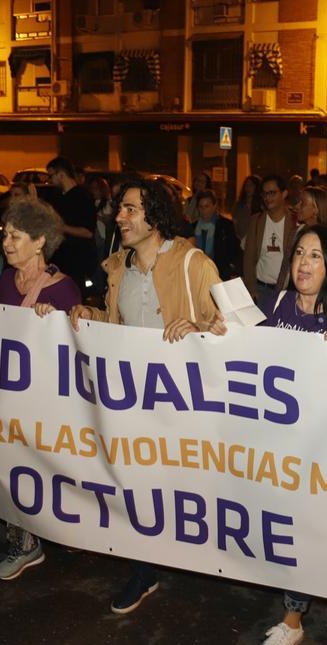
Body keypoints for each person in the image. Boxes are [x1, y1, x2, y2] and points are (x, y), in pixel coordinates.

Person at [207, 225, 327, 645]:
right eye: (299, 253)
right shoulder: (273, 303)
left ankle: (293, 621)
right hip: (274, 447)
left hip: (322, 452)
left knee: (302, 531)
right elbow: (247, 358)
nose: (303, 263)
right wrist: (219, 334)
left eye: (316, 256)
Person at [68, 178, 221, 614]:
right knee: (137, 483)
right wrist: (88, 314)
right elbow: (118, 324)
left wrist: (200, 329)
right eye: (120, 209)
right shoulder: (118, 268)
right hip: (133, 399)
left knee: (183, 486)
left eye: (131, 209)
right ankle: (144, 568)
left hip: (184, 402)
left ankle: (202, 557)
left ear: (155, 217)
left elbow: (234, 328)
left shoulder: (193, 264)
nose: (120, 217)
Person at [0, 197, 80, 580]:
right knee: (10, 466)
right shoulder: (5, 281)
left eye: (16, 236)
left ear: (40, 242)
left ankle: (57, 529)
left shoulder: (62, 291)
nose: (6, 243)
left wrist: (57, 323)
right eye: (5, 234)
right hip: (5, 397)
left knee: (43, 470)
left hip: (44, 403)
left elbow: (76, 351)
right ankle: (24, 543)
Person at [242, 174, 297, 308]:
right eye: (265, 194)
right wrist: (251, 288)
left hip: (286, 291)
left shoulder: (295, 222)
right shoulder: (257, 221)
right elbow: (248, 258)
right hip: (261, 289)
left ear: (284, 194)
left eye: (272, 193)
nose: (267, 198)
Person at [44, 157, 97, 290]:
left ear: (61, 174)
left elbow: (88, 232)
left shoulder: (83, 197)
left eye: (51, 176)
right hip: (58, 259)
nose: (50, 180)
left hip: (77, 260)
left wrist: (61, 227)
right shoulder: (56, 196)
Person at [192, 189, 241, 280]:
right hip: (198, 274)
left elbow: (234, 251)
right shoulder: (193, 227)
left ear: (214, 206)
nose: (203, 210)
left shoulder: (225, 226)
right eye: (201, 207)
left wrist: (233, 271)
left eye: (207, 206)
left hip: (220, 274)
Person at [233, 174, 264, 244]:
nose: (248, 188)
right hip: (241, 242)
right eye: (246, 185)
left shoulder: (262, 207)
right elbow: (234, 226)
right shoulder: (239, 206)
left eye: (251, 185)